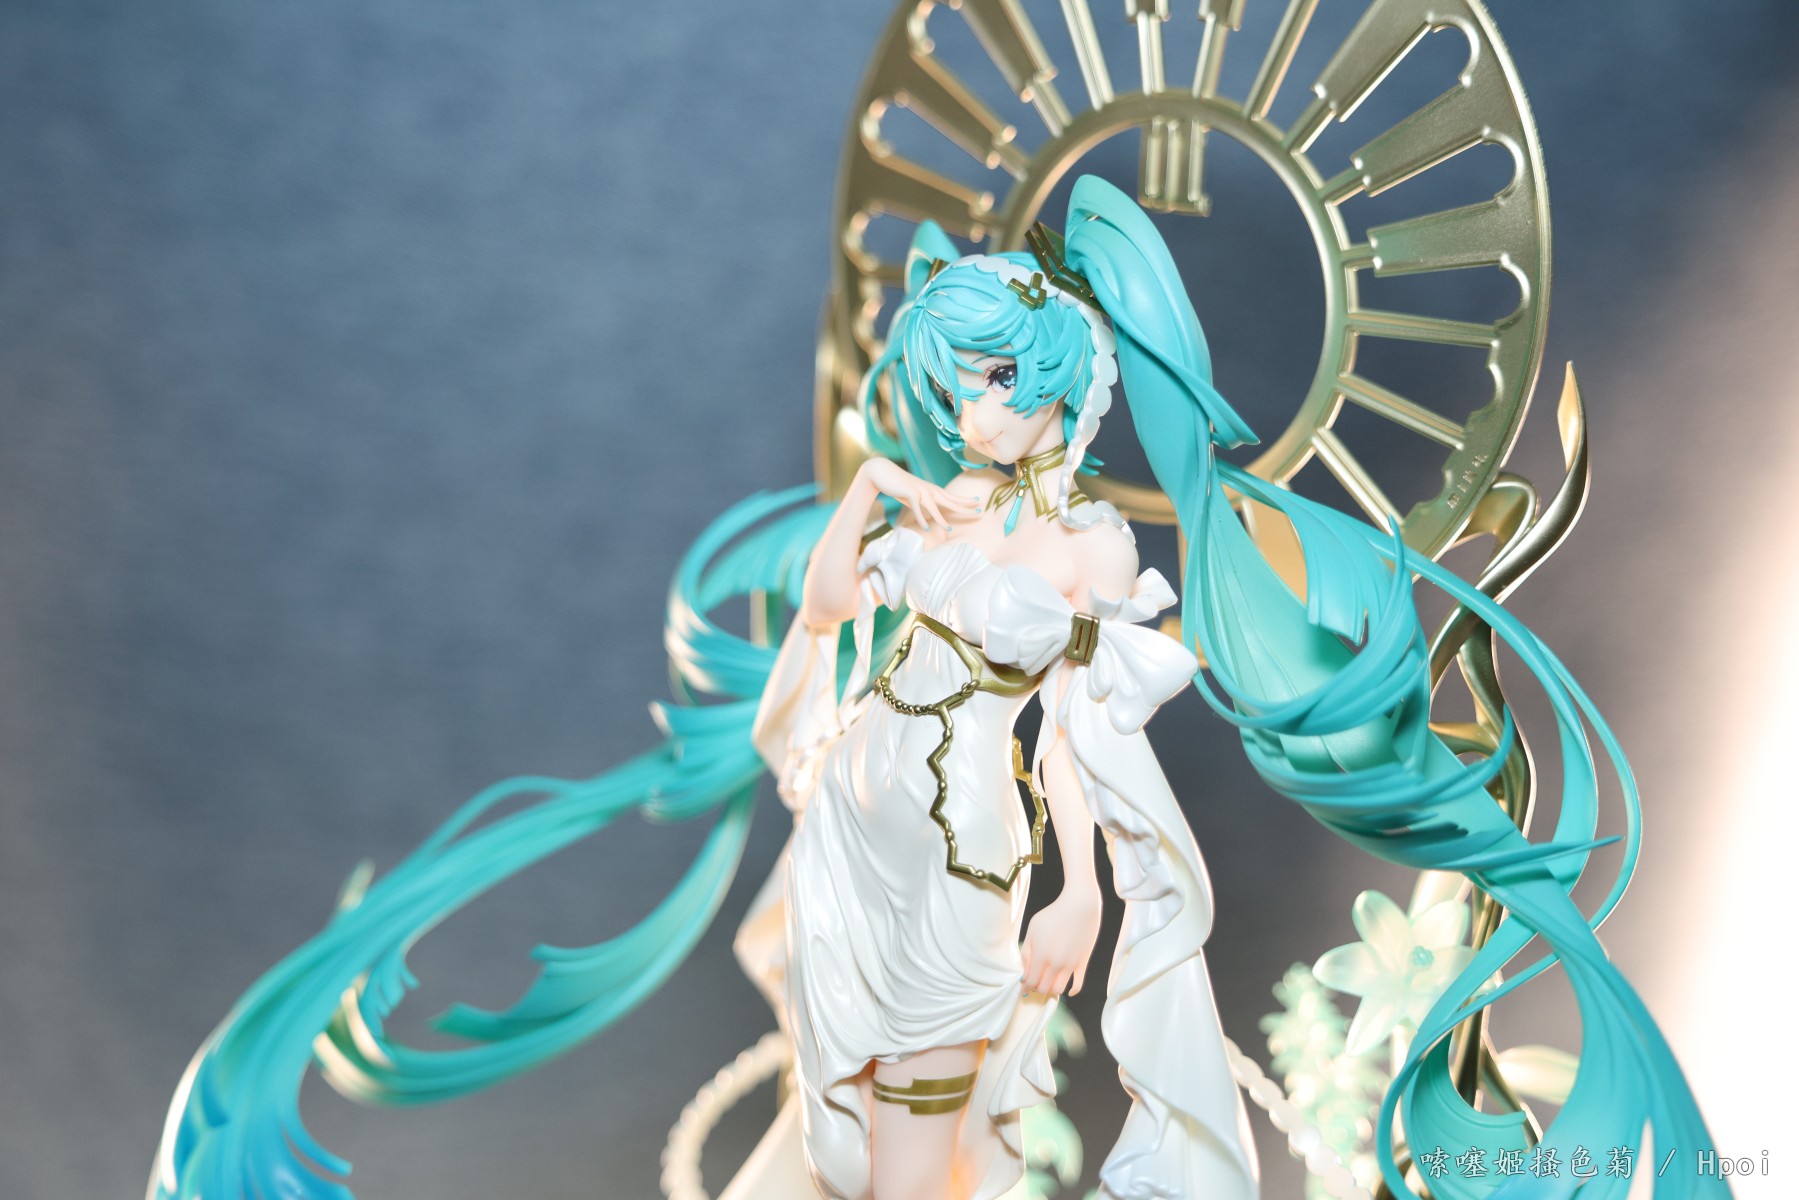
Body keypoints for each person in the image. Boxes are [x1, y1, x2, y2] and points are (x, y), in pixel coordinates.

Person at [151, 176, 1723, 1200]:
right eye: (963, 381)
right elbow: (828, 639)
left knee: (926, 1125)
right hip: (858, 815)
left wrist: (1083, 894)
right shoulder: (922, 508)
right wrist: (855, 530)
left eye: (1006, 385)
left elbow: (1088, 739)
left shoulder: (1095, 551)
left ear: (1064, 395)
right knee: (838, 1120)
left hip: (976, 842)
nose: (981, 410)